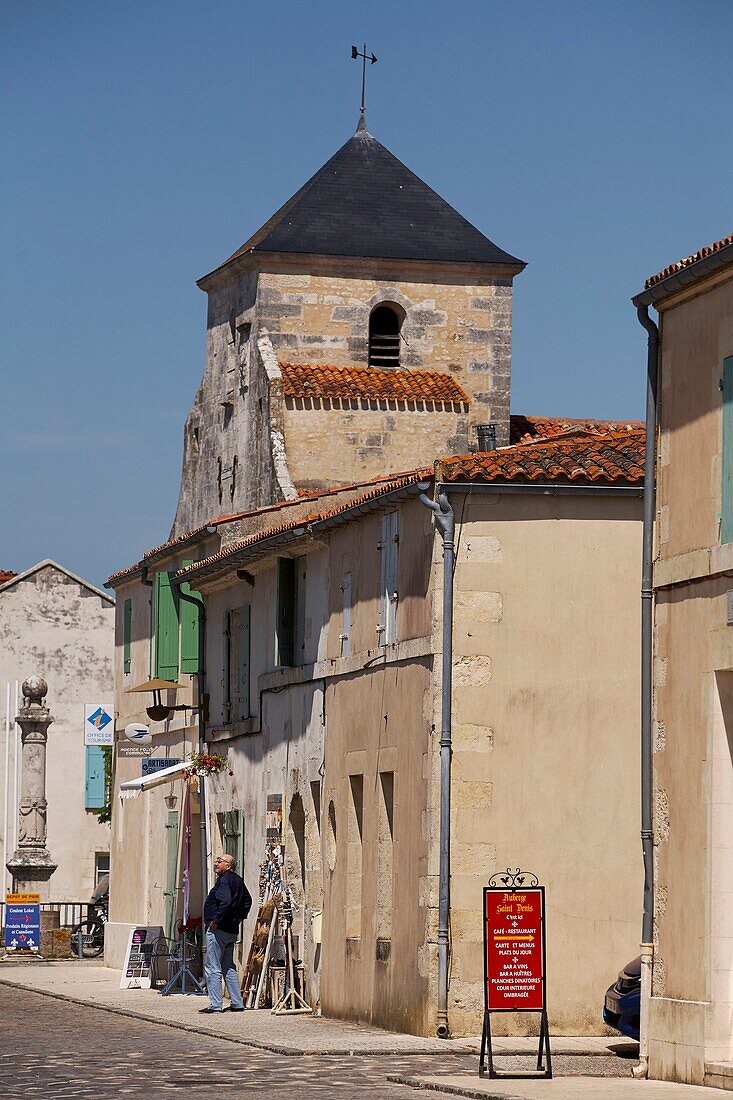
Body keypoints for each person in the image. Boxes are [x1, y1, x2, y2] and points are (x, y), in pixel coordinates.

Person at [200, 853, 252, 1013]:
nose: (216, 863)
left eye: (220, 861)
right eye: (216, 860)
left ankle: (215, 1005)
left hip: (219, 930)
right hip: (231, 930)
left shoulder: (224, 881)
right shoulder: (237, 880)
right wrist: (238, 919)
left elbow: (226, 902)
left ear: (228, 865)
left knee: (212, 966)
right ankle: (237, 1002)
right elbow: (247, 900)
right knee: (228, 966)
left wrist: (216, 921)